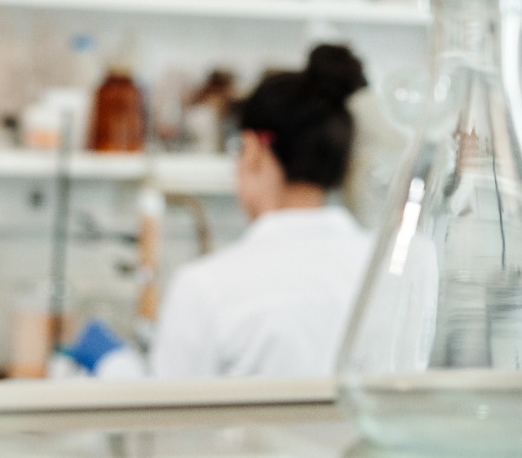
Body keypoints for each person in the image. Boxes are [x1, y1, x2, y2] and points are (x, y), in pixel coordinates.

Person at [70, 44, 375, 378]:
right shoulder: (399, 268)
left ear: (255, 151)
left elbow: (167, 418)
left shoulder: (206, 288)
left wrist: (113, 364)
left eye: (238, 150)